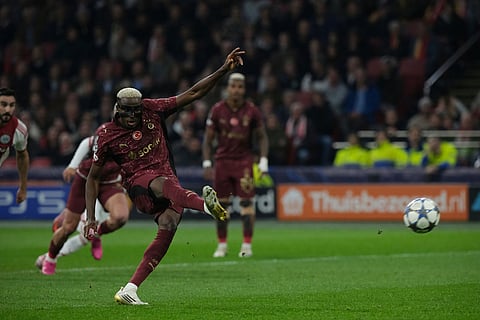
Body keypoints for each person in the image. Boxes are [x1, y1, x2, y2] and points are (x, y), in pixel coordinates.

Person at [84, 48, 244, 305]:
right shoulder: (106, 136)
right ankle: (206, 206)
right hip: (139, 188)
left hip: (167, 179)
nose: (135, 115)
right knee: (163, 184)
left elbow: (193, 93)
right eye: (129, 111)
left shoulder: (152, 109)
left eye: (137, 110)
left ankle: (130, 289)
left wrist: (223, 70)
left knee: (169, 223)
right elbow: (92, 178)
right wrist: (91, 218)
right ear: (118, 109)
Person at [39, 135, 131, 275]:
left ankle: (96, 234)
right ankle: (50, 258)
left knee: (119, 217)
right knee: (70, 227)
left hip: (110, 183)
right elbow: (87, 142)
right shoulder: (108, 133)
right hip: (86, 180)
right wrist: (72, 165)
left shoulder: (136, 138)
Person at [202, 72, 269, 258]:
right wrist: (207, 162)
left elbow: (262, 137)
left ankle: (247, 245)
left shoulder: (252, 111)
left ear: (244, 89)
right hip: (222, 162)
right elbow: (207, 140)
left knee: (247, 204)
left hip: (244, 162)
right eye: (233, 86)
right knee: (221, 206)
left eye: (240, 87)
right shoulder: (217, 110)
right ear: (227, 88)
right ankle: (222, 245)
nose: (236, 90)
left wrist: (263, 162)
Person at [0, 88, 29, 204]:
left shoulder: (19, 130)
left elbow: (22, 155)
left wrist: (23, 187)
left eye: (11, 105)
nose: (8, 109)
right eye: (3, 105)